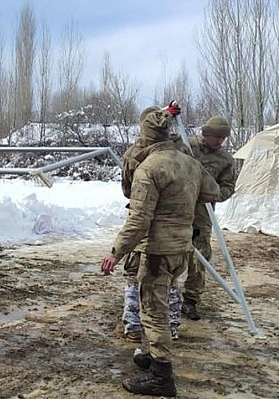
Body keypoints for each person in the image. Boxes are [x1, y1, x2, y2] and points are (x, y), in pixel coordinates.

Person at [100, 106, 221, 396]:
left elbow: (139, 220)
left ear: (144, 137)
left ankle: (162, 376)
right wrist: (181, 200)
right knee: (165, 301)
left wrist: (115, 252)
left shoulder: (148, 168)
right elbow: (213, 192)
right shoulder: (189, 162)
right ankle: (152, 355)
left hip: (157, 251)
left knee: (153, 311)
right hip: (182, 247)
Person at [119, 105, 188, 342]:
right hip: (173, 226)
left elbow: (128, 190)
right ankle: (171, 325)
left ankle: (134, 324)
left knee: (133, 272)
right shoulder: (180, 152)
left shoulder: (133, 155)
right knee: (168, 276)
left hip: (144, 223)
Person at [182, 116, 236, 320]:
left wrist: (212, 194)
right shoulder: (186, 146)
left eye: (223, 137)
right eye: (217, 137)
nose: (220, 141)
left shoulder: (225, 160)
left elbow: (228, 188)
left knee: (200, 257)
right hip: (176, 211)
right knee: (168, 254)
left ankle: (190, 300)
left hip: (202, 215)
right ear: (206, 134)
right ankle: (165, 296)